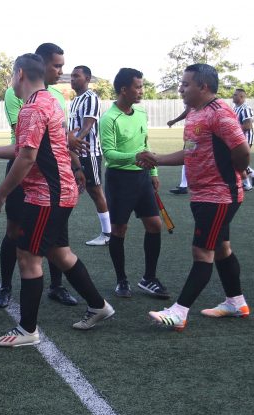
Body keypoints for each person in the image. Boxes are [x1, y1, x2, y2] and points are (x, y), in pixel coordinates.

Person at [0, 54, 115, 347]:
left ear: (19, 74)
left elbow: (26, 158)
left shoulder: (32, 109)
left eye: (10, 76)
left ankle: (27, 330)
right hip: (59, 192)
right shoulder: (49, 102)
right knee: (60, 254)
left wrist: (0, 194)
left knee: (28, 258)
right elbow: (24, 148)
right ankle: (99, 306)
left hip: (47, 196)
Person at [137, 64, 251, 331]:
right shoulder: (194, 114)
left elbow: (242, 150)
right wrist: (159, 159)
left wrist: (237, 171)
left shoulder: (220, 113)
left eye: (186, 84)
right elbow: (190, 152)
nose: (181, 88)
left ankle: (179, 311)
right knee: (222, 248)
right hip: (203, 194)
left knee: (202, 251)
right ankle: (236, 302)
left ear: (204, 86)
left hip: (219, 195)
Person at [0, 42, 78, 309]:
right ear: (39, 65)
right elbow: (25, 148)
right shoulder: (18, 95)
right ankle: (5, 287)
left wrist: (76, 164)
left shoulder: (54, 98)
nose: (60, 71)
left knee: (52, 240)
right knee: (16, 231)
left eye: (62, 66)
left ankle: (57, 287)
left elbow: (54, 142)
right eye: (56, 65)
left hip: (49, 182)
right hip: (24, 173)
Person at [99, 68, 169, 299]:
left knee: (155, 225)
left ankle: (149, 278)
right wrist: (136, 158)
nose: (142, 91)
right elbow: (109, 154)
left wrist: (153, 171)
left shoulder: (141, 112)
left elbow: (145, 143)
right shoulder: (109, 118)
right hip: (120, 180)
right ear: (124, 89)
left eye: (142, 86)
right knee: (120, 229)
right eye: (138, 87)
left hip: (142, 178)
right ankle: (121, 280)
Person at [67, 65, 111, 246]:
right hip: (75, 151)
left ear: (87, 78)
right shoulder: (75, 100)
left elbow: (87, 125)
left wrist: (76, 141)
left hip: (88, 151)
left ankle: (108, 233)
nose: (72, 79)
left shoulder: (91, 98)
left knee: (95, 190)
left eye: (76, 76)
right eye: (71, 76)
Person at [232, 88, 254, 191]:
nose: (233, 96)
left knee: (238, 161)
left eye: (235, 95)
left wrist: (231, 129)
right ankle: (253, 176)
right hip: (237, 139)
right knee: (235, 160)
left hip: (245, 138)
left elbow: (247, 126)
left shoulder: (245, 108)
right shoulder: (235, 108)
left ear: (242, 97)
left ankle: (247, 182)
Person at [167, 106, 190, 194]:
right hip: (191, 136)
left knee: (188, 157)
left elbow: (189, 109)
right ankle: (184, 185)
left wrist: (174, 121)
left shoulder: (193, 99)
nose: (181, 91)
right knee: (189, 158)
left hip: (194, 138)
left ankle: (184, 186)